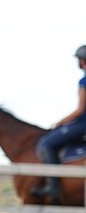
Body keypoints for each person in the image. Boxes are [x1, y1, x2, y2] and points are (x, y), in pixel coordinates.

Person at [32, 45, 86, 203]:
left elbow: (80, 110)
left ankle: (53, 187)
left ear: (83, 61)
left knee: (47, 143)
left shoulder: (84, 81)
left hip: (83, 123)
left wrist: (60, 122)